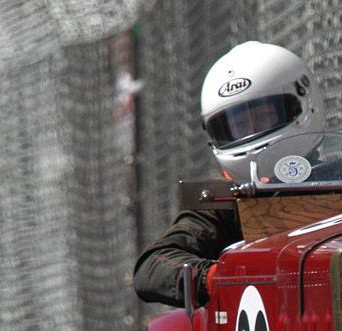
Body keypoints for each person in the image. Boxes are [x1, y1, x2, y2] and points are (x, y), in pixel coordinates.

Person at [133, 41, 326, 307]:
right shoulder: (224, 200)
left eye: (263, 117)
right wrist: (220, 277)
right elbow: (151, 267)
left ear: (302, 103)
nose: (251, 131)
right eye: (238, 125)